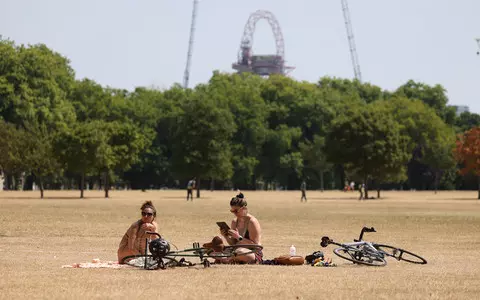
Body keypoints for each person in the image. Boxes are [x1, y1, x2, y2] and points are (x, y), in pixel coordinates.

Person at [218, 192, 263, 264]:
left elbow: (256, 246)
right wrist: (226, 236)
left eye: (236, 211)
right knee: (217, 249)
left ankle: (225, 259)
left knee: (239, 251)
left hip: (252, 253)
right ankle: (228, 258)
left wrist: (239, 237)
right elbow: (233, 244)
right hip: (236, 251)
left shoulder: (252, 222)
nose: (234, 213)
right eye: (232, 211)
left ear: (244, 208)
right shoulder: (234, 222)